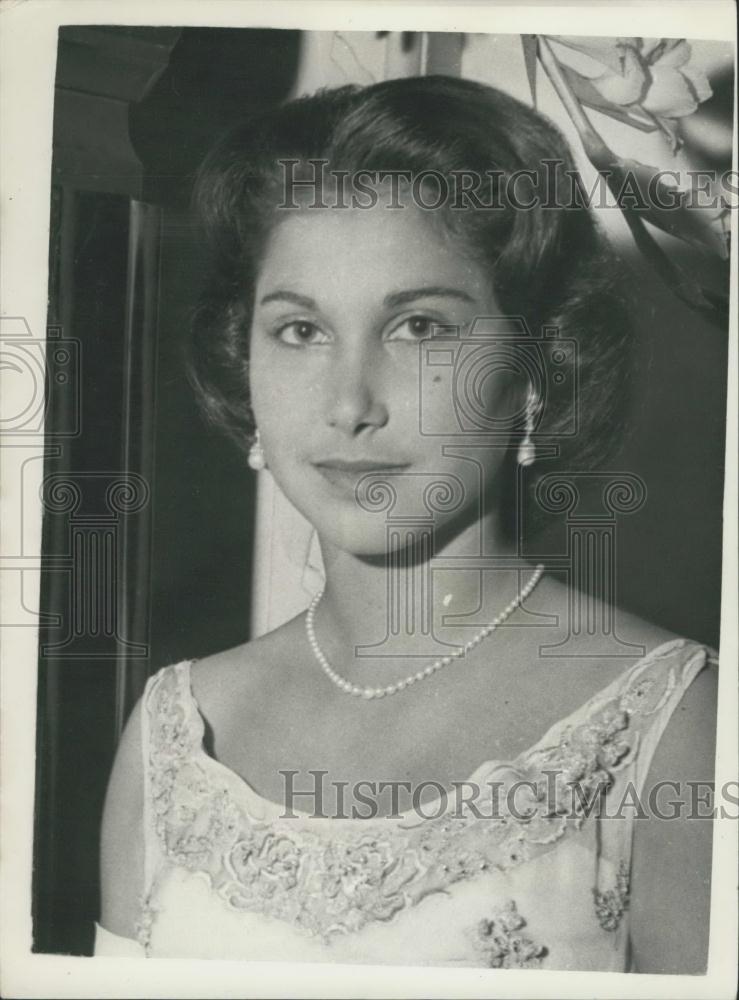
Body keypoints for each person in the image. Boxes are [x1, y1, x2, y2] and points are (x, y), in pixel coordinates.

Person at [97, 76, 717, 972]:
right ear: (245, 368)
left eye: (419, 326)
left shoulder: (676, 727)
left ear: (538, 372)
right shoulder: (175, 730)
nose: (349, 404)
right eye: (300, 331)